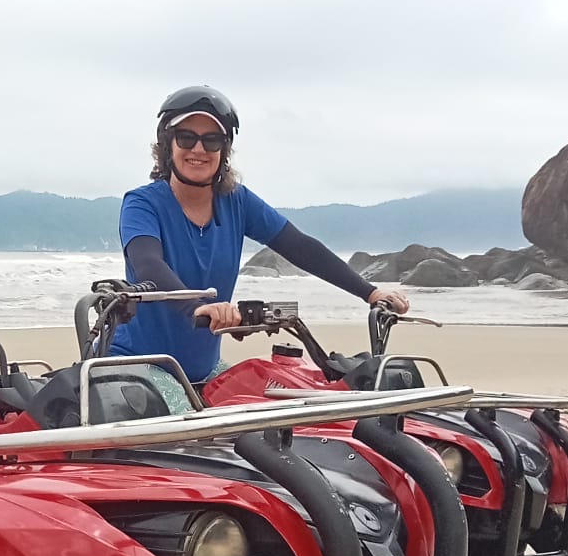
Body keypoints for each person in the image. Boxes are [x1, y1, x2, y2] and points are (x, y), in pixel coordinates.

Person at [110, 86, 410, 383]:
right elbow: (147, 264)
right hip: (138, 367)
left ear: (224, 150)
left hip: (202, 371)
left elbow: (299, 246)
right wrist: (197, 308)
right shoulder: (143, 204)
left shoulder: (236, 201)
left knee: (280, 397)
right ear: (167, 145)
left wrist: (371, 293)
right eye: (186, 137)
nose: (199, 149)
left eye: (211, 140)